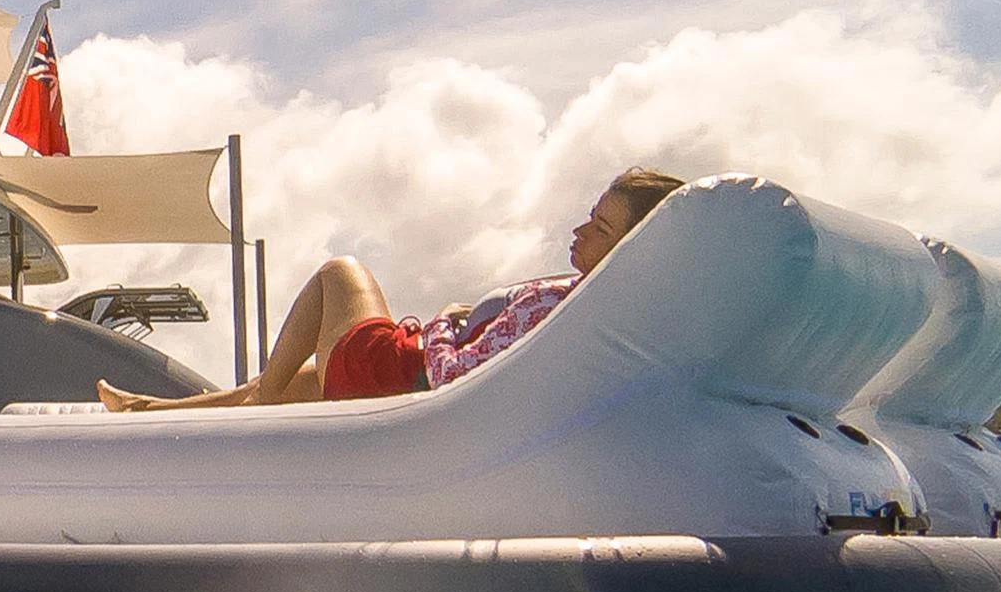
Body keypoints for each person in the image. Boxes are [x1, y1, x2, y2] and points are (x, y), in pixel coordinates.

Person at [99, 167, 686, 412]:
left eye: (600, 228)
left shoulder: (575, 309)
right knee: (289, 378)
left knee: (338, 271)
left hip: (396, 371)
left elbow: (459, 376)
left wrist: (445, 325)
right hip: (399, 370)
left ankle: (257, 421)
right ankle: (155, 409)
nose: (579, 231)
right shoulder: (593, 305)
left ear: (631, 248)